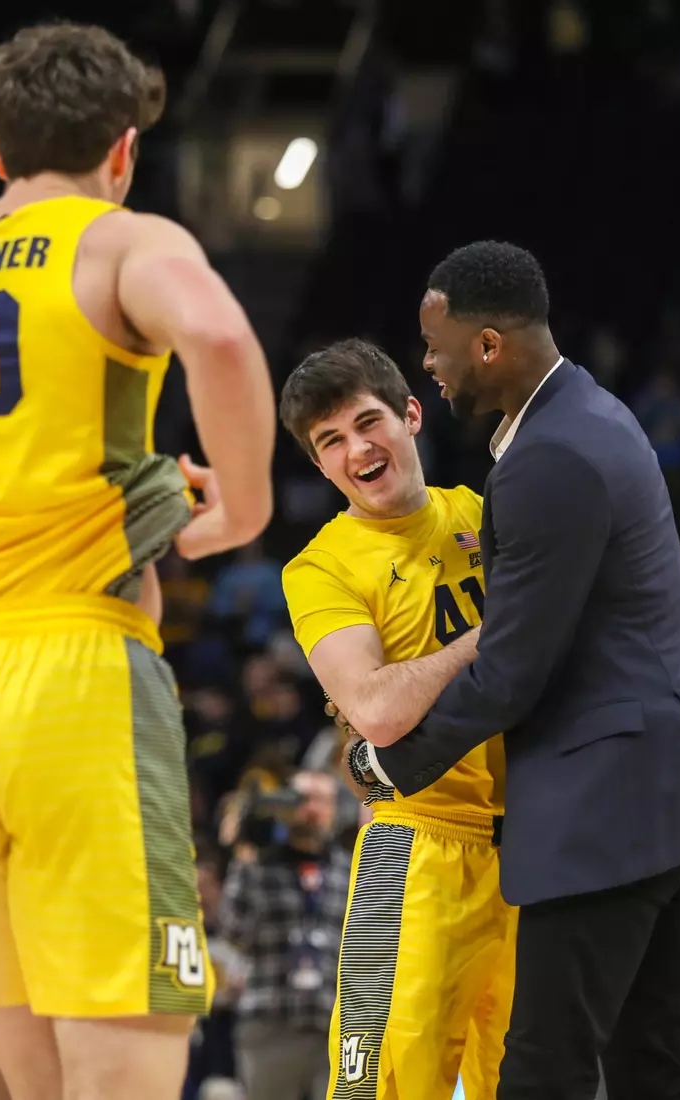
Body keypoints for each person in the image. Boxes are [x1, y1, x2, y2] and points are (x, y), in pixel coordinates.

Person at [345, 242, 680, 1100]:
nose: (427, 366)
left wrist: (389, 764)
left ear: (490, 344)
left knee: (543, 1071)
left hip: (614, 803)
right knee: (653, 1070)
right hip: (678, 792)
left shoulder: (549, 455)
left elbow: (513, 671)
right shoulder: (595, 415)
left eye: (435, 346)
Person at [0, 22, 274, 1100]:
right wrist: (240, 505)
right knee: (121, 1056)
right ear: (124, 152)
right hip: (71, 673)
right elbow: (221, 340)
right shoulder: (123, 240)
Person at [279, 339, 517, 1099]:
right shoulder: (319, 568)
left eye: (367, 421)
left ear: (411, 415)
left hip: (537, 846)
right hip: (414, 847)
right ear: (320, 467)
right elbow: (376, 710)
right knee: (381, 1088)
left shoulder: (484, 514)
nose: (357, 449)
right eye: (331, 442)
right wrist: (501, 632)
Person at [219, 771, 352, 1100]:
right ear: (284, 807)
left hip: (333, 1026)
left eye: (322, 800)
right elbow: (233, 930)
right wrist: (245, 851)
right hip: (271, 1021)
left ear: (335, 809)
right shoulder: (258, 866)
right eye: (303, 799)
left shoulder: (350, 868)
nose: (312, 809)